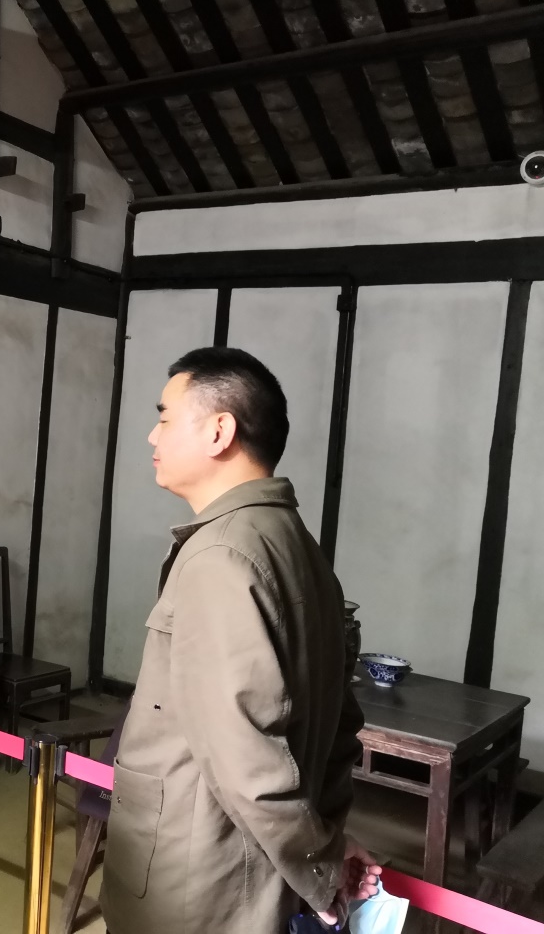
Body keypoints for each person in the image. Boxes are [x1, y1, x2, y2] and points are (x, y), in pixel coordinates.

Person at [100, 347, 380, 933]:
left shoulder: (221, 554)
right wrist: (326, 842)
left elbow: (246, 757)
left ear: (219, 431)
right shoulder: (294, 543)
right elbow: (340, 725)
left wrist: (321, 866)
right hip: (249, 873)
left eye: (165, 416)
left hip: (199, 884)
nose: (152, 434)